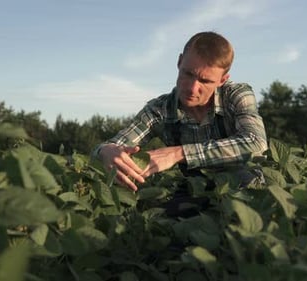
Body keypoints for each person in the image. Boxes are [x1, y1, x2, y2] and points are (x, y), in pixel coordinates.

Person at [92, 31, 268, 199]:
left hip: (242, 186)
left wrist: (178, 153)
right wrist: (106, 151)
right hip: (195, 188)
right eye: (188, 73)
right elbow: (115, 144)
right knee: (172, 224)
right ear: (179, 61)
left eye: (205, 81)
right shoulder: (160, 109)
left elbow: (256, 143)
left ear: (223, 80)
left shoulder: (236, 95)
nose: (192, 88)